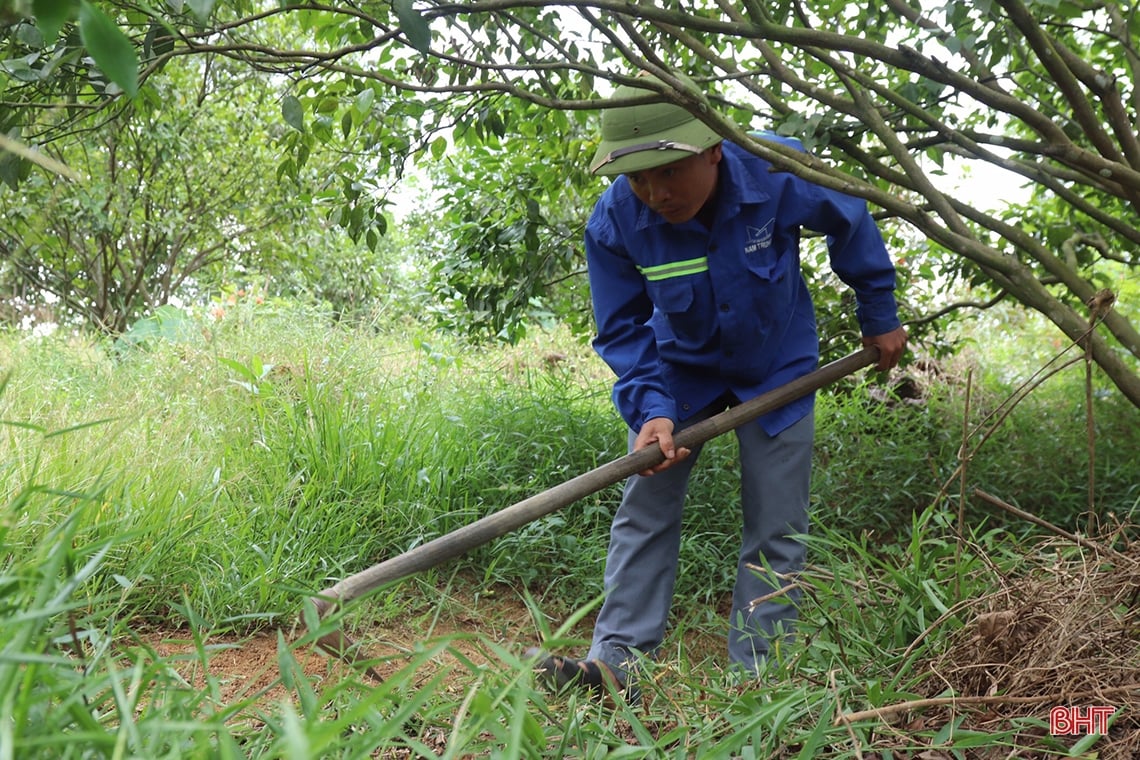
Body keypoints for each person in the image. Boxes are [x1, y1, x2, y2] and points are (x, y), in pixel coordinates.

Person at [532, 73, 907, 702]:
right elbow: (621, 328)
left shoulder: (773, 170)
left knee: (778, 522)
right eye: (637, 177)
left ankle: (759, 683)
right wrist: (651, 409)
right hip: (679, 374)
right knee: (644, 509)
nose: (654, 192)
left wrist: (879, 313)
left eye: (667, 172)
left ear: (710, 149)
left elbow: (850, 215)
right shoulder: (616, 220)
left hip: (779, 365)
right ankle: (615, 666)